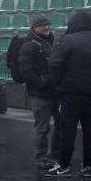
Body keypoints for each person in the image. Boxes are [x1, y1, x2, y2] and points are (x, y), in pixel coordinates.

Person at [45, 11, 91, 178]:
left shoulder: (67, 40)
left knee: (67, 129)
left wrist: (59, 84)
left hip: (71, 92)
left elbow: (54, 63)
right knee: (90, 129)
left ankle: (64, 165)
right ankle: (87, 165)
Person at [18, 14, 61, 169]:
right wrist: (41, 83)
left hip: (56, 91)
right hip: (40, 93)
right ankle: (41, 156)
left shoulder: (52, 42)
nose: (46, 27)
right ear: (34, 27)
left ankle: (55, 153)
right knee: (42, 127)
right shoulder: (28, 45)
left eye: (48, 24)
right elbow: (26, 70)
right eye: (43, 25)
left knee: (61, 123)